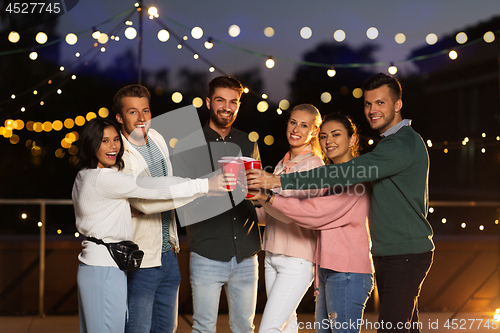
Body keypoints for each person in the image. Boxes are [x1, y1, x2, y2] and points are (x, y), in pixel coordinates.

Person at [247, 73, 434, 333]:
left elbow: (327, 197)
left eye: (380, 103)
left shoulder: (399, 145)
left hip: (399, 256)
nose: (372, 110)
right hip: (384, 255)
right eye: (368, 104)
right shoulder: (389, 145)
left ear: (398, 104)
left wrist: (276, 184)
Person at [73, 118, 233, 333]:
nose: (113, 146)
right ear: (91, 145)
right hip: (104, 268)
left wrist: (128, 208)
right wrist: (205, 184)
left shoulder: (84, 176)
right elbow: (152, 186)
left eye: (115, 140)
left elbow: (103, 210)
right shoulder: (104, 178)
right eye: (104, 141)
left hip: (99, 265)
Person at [249, 113, 373, 333]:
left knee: (271, 328)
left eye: (336, 135)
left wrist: (267, 197)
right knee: (290, 327)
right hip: (326, 269)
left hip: (347, 272)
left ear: (353, 139)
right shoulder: (325, 175)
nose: (329, 141)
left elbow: (314, 213)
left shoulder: (355, 177)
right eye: (325, 136)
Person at [171, 76, 261, 333]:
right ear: (209, 102)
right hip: (207, 253)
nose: (227, 107)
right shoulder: (188, 145)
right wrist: (208, 187)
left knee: (245, 327)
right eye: (220, 100)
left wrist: (256, 190)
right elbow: (179, 199)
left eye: (234, 101)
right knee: (203, 327)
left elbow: (256, 191)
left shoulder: (248, 142)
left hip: (246, 252)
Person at [113, 84, 188, 333]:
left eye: (145, 110)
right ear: (119, 117)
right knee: (139, 328)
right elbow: (145, 201)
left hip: (168, 253)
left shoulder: (157, 138)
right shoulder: (119, 153)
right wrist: (199, 190)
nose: (142, 118)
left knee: (168, 328)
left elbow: (165, 186)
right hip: (142, 257)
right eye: (133, 112)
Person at [255, 104, 324, 333]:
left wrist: (262, 195)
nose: (296, 129)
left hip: (297, 260)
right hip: (272, 255)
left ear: (314, 131)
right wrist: (241, 201)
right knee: (286, 326)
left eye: (304, 125)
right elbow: (269, 215)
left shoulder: (313, 165)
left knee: (269, 328)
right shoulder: (281, 164)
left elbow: (291, 214)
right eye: (293, 122)